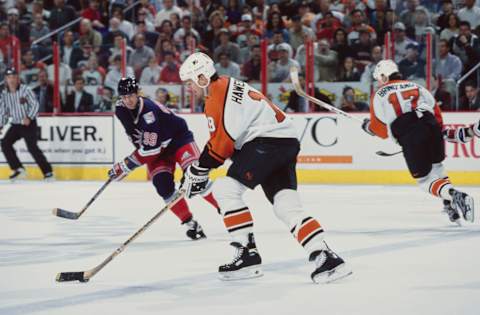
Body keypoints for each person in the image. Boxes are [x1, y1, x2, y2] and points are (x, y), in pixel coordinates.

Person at [178, 52, 352, 284]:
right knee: (286, 205)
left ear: (201, 78)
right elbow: (224, 145)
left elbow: (221, 146)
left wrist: (198, 170)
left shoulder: (216, 94)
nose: (189, 88)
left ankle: (247, 254)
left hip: (267, 143)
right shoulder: (227, 86)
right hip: (284, 142)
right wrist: (200, 169)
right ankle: (325, 256)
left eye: (190, 82)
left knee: (225, 190)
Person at [361, 60, 475, 224]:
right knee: (437, 167)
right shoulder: (417, 87)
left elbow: (380, 131)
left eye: (379, 78)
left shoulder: (379, 94)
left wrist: (367, 127)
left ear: (384, 76)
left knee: (424, 180)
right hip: (431, 124)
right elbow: (435, 111)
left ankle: (455, 195)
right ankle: (449, 204)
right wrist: (436, 131)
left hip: (410, 133)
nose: (379, 82)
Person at [108, 77, 220, 240]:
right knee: (163, 186)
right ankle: (191, 224)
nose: (128, 100)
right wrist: (128, 163)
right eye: (124, 97)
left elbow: (150, 151)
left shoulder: (149, 112)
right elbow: (138, 138)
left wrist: (125, 166)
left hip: (178, 140)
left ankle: (225, 208)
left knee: (195, 178)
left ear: (138, 93)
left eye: (131, 95)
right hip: (157, 149)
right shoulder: (120, 109)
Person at [0, 68, 54, 181]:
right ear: (6, 79)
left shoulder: (26, 90)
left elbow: (35, 105)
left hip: (28, 124)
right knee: (5, 143)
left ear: (17, 78)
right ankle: (18, 169)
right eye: (9, 77)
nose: (12, 80)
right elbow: (3, 111)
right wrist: (1, 125)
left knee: (32, 147)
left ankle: (48, 172)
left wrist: (29, 117)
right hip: (15, 124)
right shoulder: (4, 94)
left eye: (14, 77)